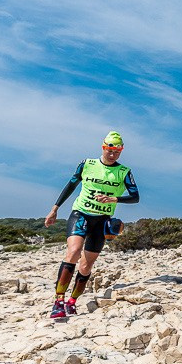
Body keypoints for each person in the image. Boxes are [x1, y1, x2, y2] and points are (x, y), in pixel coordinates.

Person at [44, 131, 139, 319]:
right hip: (80, 213)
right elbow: (70, 185)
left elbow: (135, 197)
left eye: (117, 151)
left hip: (101, 220)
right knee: (73, 252)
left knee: (86, 266)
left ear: (121, 151)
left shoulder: (124, 172)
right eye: (110, 150)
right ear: (103, 147)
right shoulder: (87, 164)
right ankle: (58, 302)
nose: (113, 154)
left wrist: (114, 198)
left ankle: (72, 302)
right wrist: (54, 209)